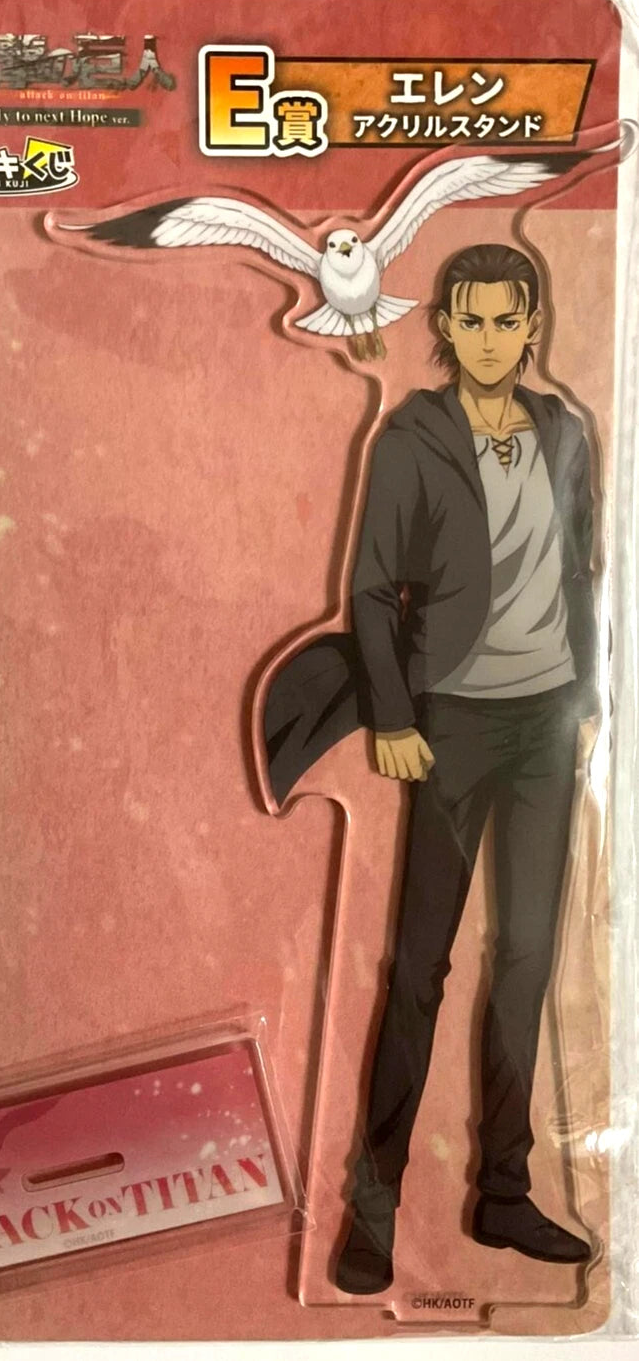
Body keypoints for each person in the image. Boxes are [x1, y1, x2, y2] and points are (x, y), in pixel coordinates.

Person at [261, 242, 599, 1294]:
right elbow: (371, 590)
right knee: (418, 970)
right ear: (445, 326)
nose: (491, 339)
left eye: (508, 320)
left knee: (528, 962)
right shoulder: (413, 437)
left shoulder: (564, 432)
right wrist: (397, 716)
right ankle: (372, 1211)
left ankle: (503, 1192)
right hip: (451, 724)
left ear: (532, 325)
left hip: (546, 729)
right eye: (472, 320)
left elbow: (583, 569)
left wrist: (590, 697)